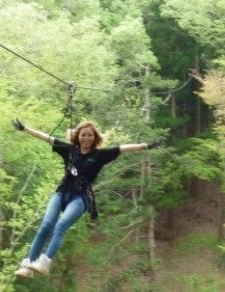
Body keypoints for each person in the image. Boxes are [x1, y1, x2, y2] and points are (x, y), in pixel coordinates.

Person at [12, 118, 160, 277]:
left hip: (80, 198)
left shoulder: (100, 155)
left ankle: (45, 262)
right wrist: (24, 129)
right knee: (45, 225)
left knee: (61, 225)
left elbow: (122, 148)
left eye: (90, 135)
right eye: (83, 135)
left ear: (94, 137)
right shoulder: (69, 150)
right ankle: (28, 266)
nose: (86, 138)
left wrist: (146, 146)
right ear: (78, 136)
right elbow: (47, 138)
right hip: (62, 193)